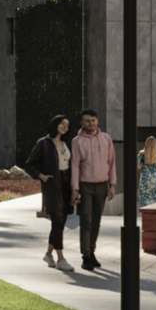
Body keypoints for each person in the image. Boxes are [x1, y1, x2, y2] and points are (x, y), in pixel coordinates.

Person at [20, 115, 75, 269]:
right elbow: (30, 164)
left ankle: (48, 254)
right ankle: (61, 259)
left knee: (60, 223)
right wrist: (42, 176)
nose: (65, 127)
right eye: (62, 124)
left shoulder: (67, 143)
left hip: (66, 184)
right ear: (55, 124)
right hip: (52, 185)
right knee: (57, 221)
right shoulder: (43, 143)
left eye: (67, 125)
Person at [69, 109, 116, 272]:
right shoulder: (77, 141)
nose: (91, 123)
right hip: (85, 185)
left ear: (97, 120)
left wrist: (113, 185)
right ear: (82, 123)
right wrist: (75, 189)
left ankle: (92, 252)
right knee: (86, 221)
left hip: (102, 185)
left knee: (96, 222)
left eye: (93, 120)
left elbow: (111, 163)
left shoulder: (106, 138)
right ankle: (86, 256)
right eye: (87, 121)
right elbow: (74, 165)